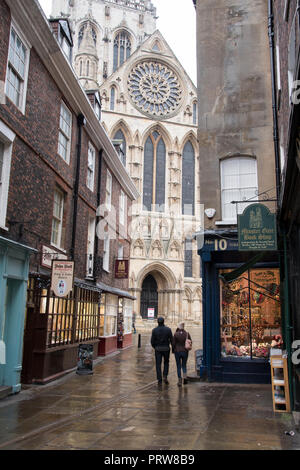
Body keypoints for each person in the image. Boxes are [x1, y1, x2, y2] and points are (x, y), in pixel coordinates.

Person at [151, 317, 173, 386]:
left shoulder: (154, 330)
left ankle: (159, 379)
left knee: (158, 364)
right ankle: (165, 376)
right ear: (164, 322)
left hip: (158, 349)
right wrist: (172, 347)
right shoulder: (168, 329)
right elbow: (172, 340)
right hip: (166, 348)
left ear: (157, 322)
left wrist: (156, 347)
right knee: (166, 362)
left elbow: (152, 341)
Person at [172, 322, 192, 386]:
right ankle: (185, 378)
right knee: (184, 365)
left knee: (178, 366)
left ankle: (179, 380)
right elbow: (190, 342)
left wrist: (173, 350)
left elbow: (173, 344)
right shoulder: (187, 334)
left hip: (177, 352)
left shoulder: (176, 334)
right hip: (185, 351)